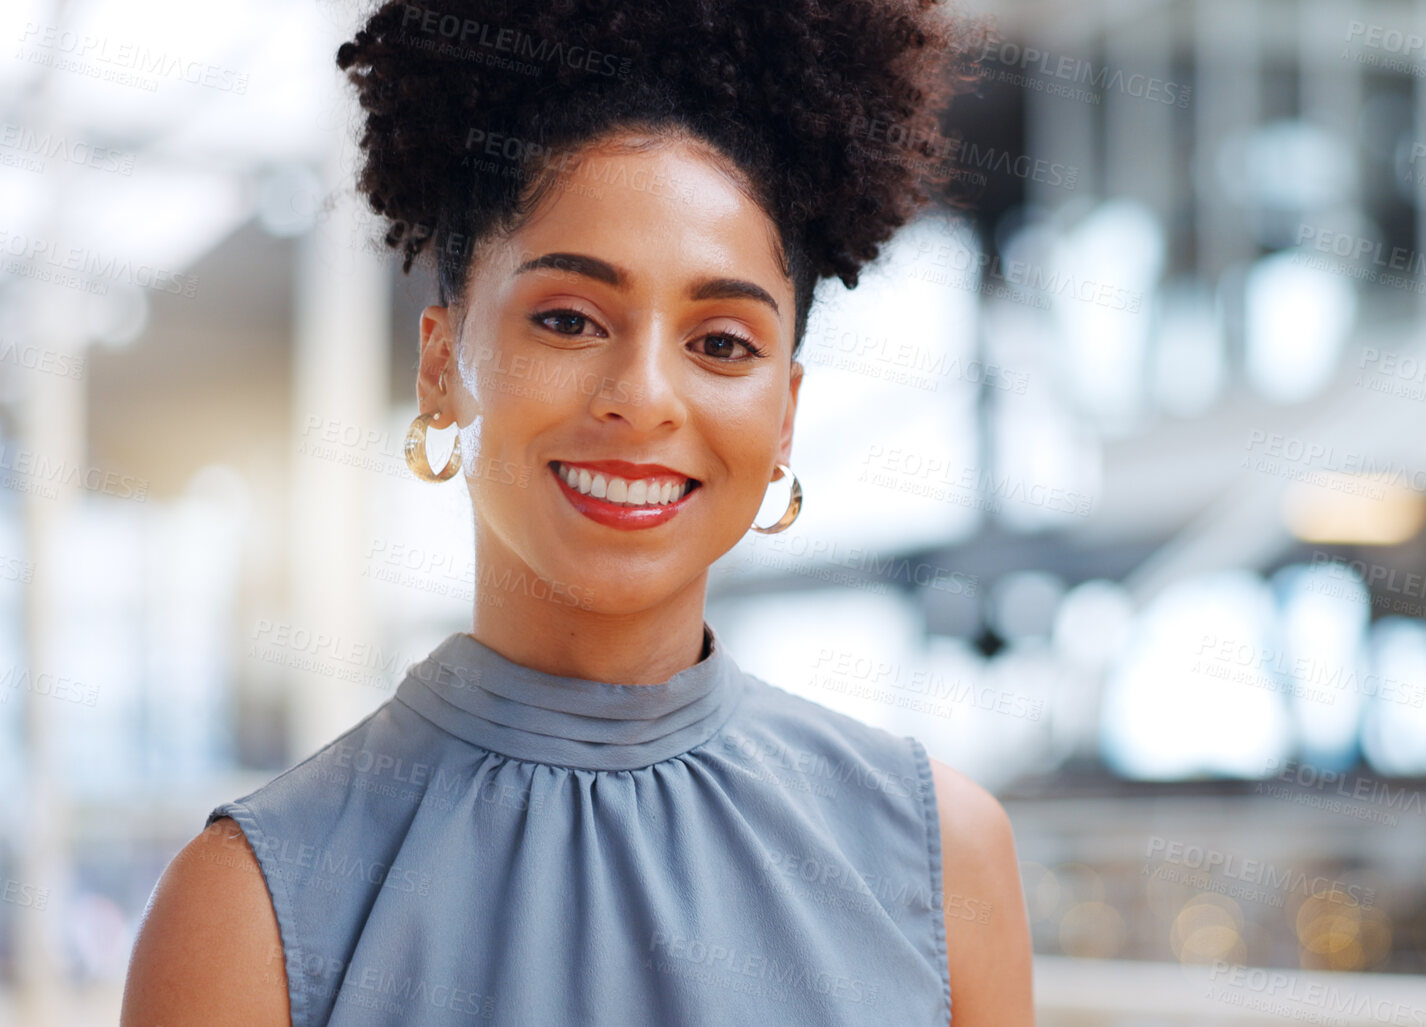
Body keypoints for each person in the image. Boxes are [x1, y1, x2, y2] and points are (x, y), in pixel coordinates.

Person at [121, 0, 1033, 1022]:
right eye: (568, 319)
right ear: (440, 367)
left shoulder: (942, 858)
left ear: (786, 414)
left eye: (723, 341)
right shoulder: (251, 908)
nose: (642, 396)